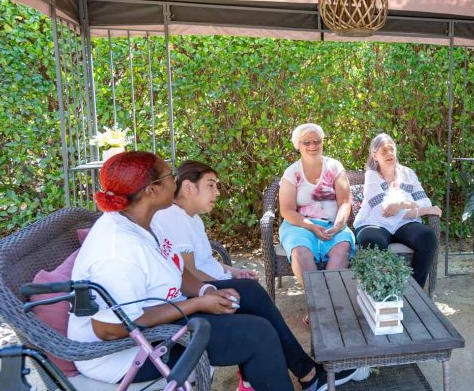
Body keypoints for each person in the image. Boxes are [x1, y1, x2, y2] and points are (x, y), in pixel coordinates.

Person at [67, 151, 362, 391]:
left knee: (248, 293)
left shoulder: (147, 220)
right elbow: (110, 328)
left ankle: (308, 375)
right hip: (125, 352)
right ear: (151, 190)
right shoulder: (117, 249)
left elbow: (177, 268)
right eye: (170, 176)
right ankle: (302, 376)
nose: (176, 181)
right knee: (256, 335)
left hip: (155, 316)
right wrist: (197, 304)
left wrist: (206, 290)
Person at [353, 133, 442, 288]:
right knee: (371, 239)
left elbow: (424, 201)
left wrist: (401, 204)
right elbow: (383, 210)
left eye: (392, 149)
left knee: (427, 238)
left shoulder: (408, 173)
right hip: (375, 223)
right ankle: (380, 291)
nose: (389, 154)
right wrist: (418, 208)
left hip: (405, 224)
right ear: (375, 155)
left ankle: (414, 292)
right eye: (384, 151)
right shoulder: (371, 176)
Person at [278, 123, 355, 288]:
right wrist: (311, 226)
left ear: (322, 142)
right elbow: (286, 210)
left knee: (342, 248)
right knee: (300, 252)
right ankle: (317, 298)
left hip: (332, 224)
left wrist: (338, 225)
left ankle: (328, 297)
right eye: (306, 142)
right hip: (299, 226)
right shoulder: (292, 172)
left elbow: (344, 202)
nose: (312, 146)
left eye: (317, 141)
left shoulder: (335, 167)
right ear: (298, 145)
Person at [153, 160, 257, 282]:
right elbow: (188, 274)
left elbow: (206, 262)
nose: (217, 192)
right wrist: (224, 287)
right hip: (205, 289)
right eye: (210, 185)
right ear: (188, 187)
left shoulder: (194, 218)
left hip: (216, 283)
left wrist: (236, 272)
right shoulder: (172, 216)